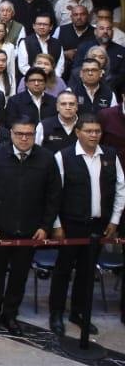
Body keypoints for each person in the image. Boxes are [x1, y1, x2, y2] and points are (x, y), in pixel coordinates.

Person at [0, 117, 61, 335]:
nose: (24, 138)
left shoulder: (46, 158)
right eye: (20, 134)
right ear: (11, 134)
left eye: (29, 134)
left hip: (31, 230)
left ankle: (10, 315)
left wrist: (45, 225)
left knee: (19, 276)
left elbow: (54, 196)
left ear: (35, 135)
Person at [48, 114, 123, 336]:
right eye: (89, 131)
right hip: (70, 225)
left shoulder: (110, 155)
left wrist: (114, 220)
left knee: (87, 272)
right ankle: (56, 313)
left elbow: (121, 189)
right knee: (63, 271)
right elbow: (54, 194)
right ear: (78, 132)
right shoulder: (63, 156)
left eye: (97, 131)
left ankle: (79, 313)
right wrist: (56, 224)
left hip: (98, 226)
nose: (94, 135)